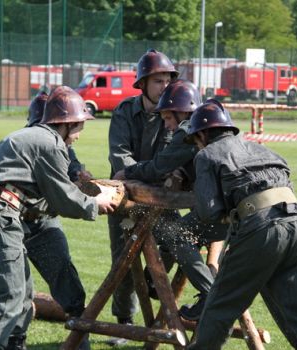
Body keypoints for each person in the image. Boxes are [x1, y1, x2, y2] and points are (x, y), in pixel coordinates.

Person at [185, 99, 297, 349]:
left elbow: (209, 212)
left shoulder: (207, 155)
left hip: (261, 229)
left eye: (196, 141)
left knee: (220, 307)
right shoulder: (265, 151)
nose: (197, 146)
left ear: (203, 134)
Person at [0, 86, 117, 350]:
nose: (79, 136)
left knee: (21, 293)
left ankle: (13, 344)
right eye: (79, 127)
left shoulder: (40, 138)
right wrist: (96, 202)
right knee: (11, 294)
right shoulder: (49, 143)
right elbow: (63, 197)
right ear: (67, 123)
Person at [114, 79, 229, 320]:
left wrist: (129, 172)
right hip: (235, 210)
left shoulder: (188, 130)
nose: (166, 126)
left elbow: (159, 166)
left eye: (167, 118)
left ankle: (210, 294)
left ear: (182, 112)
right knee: (173, 230)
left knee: (175, 235)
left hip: (222, 212)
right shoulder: (213, 126)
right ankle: (156, 282)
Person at [107, 49, 178, 346]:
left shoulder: (175, 113)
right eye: (158, 81)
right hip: (125, 198)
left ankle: (150, 281)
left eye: (167, 80)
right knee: (123, 262)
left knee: (178, 242)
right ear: (143, 84)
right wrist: (151, 176)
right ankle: (125, 322)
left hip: (163, 199)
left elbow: (174, 159)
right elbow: (119, 156)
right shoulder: (124, 111)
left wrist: (164, 177)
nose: (165, 86)